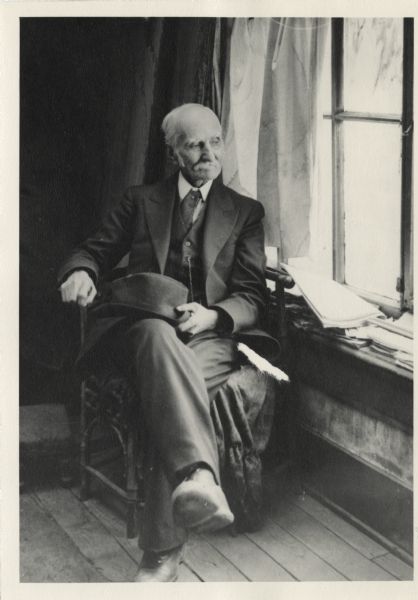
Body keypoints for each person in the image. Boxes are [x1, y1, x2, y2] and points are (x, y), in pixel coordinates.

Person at [58, 103, 273, 582]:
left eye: (215, 142)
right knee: (158, 340)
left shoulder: (246, 214)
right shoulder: (140, 200)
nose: (207, 154)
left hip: (210, 336)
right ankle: (198, 477)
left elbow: (253, 296)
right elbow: (92, 250)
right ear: (174, 151)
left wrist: (216, 314)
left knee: (172, 392)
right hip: (146, 329)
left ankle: (160, 556)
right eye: (195, 144)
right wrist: (79, 270)